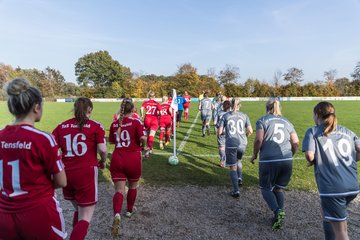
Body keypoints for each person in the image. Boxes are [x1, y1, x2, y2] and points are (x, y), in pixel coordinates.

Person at [0, 78, 67, 240]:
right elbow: (62, 181)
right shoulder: (43, 139)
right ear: (36, 107)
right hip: (39, 212)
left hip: (4, 215)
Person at [302, 101, 360, 240]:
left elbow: (310, 155)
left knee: (341, 232)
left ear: (317, 115)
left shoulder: (313, 131)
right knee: (328, 214)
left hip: (333, 188)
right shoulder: (347, 131)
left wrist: (316, 160)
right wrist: (350, 159)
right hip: (352, 185)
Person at [52, 97, 107, 240]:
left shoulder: (61, 126)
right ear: (90, 109)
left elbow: (51, 150)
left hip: (66, 174)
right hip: (85, 173)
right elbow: (102, 149)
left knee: (79, 209)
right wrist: (103, 161)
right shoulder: (96, 126)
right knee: (85, 217)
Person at [251, 98, 299, 231]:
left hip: (268, 160)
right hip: (286, 159)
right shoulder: (287, 122)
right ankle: (280, 214)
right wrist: (291, 155)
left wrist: (255, 154)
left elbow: (259, 139)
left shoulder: (262, 120)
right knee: (278, 189)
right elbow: (295, 142)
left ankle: (278, 211)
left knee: (265, 188)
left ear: (267, 108)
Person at [109, 98, 147, 237]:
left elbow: (112, 141)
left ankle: (117, 214)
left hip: (117, 158)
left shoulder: (114, 124)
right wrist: (144, 147)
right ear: (133, 110)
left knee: (119, 189)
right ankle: (129, 210)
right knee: (133, 186)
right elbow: (143, 138)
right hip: (133, 158)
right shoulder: (136, 121)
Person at [218, 98, 253, 198]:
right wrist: (244, 136)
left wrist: (226, 133)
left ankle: (236, 190)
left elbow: (220, 132)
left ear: (230, 105)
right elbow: (250, 130)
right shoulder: (244, 115)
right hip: (242, 143)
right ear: (239, 105)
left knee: (232, 167)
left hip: (231, 143)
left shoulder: (225, 116)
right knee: (239, 160)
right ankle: (240, 178)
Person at [140, 90, 161, 158]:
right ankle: (149, 149)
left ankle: (145, 146)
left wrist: (142, 115)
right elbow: (160, 112)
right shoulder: (157, 103)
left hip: (147, 119)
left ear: (149, 96)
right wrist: (159, 115)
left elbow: (141, 108)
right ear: (154, 96)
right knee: (152, 135)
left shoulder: (145, 102)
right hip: (154, 120)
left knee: (147, 134)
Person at [216, 100, 231, 167]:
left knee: (221, 147)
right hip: (230, 132)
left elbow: (217, 123)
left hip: (221, 132)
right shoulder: (231, 113)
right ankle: (228, 160)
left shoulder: (219, 113)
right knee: (227, 147)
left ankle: (222, 160)